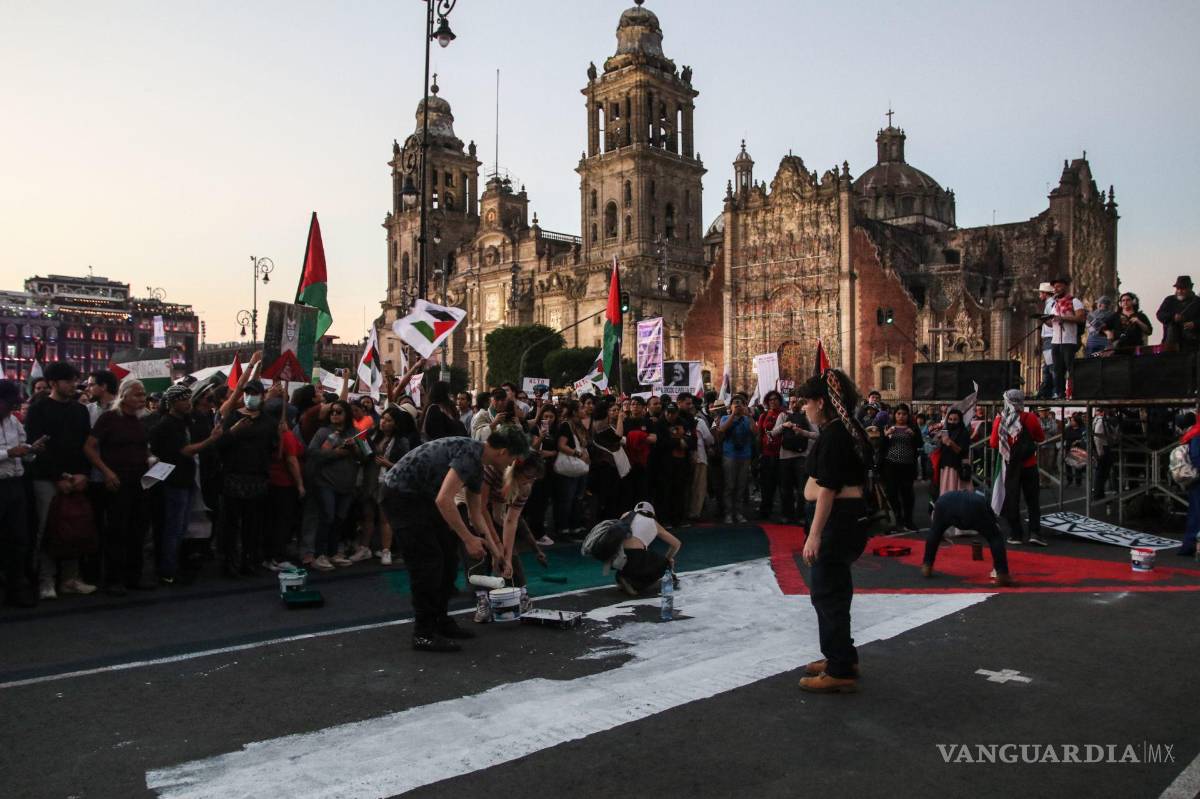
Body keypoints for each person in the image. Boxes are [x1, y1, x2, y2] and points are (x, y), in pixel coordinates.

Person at [380, 427, 528, 652]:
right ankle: (424, 633)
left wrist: (498, 554)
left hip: (422, 497)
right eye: (513, 458)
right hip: (401, 496)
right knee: (428, 564)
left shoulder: (479, 463)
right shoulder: (470, 455)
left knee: (449, 559)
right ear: (503, 451)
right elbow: (444, 500)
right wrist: (469, 539)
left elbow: (476, 513)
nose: (512, 464)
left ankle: (441, 620)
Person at [796, 369, 870, 694]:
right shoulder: (844, 429)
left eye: (807, 402)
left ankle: (839, 667)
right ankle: (841, 656)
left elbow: (827, 489)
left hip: (835, 524)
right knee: (835, 591)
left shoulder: (836, 433)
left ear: (821, 402)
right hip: (845, 522)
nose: (803, 408)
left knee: (827, 594)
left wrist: (814, 535)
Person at [24, 361, 95, 599]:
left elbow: (84, 445)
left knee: (75, 527)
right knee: (47, 528)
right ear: (54, 383)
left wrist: (82, 473)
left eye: (75, 380)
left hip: (76, 477)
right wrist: (57, 477)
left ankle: (70, 578)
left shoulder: (80, 410)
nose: (74, 385)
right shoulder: (39, 409)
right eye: (68, 381)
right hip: (46, 478)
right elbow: (38, 447)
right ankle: (45, 580)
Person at [150, 383, 224, 585]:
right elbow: (185, 451)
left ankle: (174, 566)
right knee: (173, 528)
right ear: (173, 402)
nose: (188, 403)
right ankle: (167, 569)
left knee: (182, 527)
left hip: (186, 479)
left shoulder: (185, 421)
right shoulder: (167, 424)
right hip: (174, 481)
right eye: (184, 399)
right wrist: (211, 439)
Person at [84, 377, 152, 594]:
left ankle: (134, 576)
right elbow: (89, 448)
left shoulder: (140, 421)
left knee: (137, 529)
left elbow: (142, 448)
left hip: (139, 480)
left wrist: (151, 459)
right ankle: (114, 578)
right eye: (138, 395)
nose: (143, 399)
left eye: (143, 394)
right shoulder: (109, 419)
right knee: (117, 530)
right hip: (117, 480)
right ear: (124, 396)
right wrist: (106, 472)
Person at [215, 355, 277, 577]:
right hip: (233, 477)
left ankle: (249, 561)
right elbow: (217, 444)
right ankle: (227, 563)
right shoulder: (232, 417)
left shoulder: (269, 421)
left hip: (256, 479)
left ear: (262, 397)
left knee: (253, 525)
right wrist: (233, 432)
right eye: (248, 393)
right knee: (229, 525)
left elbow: (273, 450)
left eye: (255, 394)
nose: (251, 397)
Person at [307, 400, 367, 571]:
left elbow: (366, 456)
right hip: (326, 483)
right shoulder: (323, 432)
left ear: (346, 414)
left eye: (339, 412)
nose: (334, 415)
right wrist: (335, 453)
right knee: (328, 517)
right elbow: (312, 453)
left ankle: (333, 553)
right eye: (332, 412)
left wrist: (355, 448)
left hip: (347, 485)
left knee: (339, 519)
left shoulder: (355, 433)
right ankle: (319, 555)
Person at [0, 380, 44, 607]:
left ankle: (15, 588)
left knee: (18, 539)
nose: (11, 408)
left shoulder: (13, 422)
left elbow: (22, 448)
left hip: (15, 484)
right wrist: (9, 452)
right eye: (8, 404)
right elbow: (11, 451)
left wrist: (30, 450)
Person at [989, 389, 1047, 547]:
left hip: (1010, 465)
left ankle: (1016, 533)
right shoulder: (1030, 417)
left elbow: (993, 443)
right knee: (1032, 500)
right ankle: (1035, 532)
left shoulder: (1000, 419)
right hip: (1029, 463)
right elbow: (1040, 437)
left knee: (1012, 500)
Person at [920, 490, 1012, 586]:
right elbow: (993, 522)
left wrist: (939, 532)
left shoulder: (942, 500)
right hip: (974, 508)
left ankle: (927, 565)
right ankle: (1002, 574)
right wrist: (995, 526)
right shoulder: (981, 499)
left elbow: (934, 531)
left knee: (935, 532)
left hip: (947, 507)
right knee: (995, 537)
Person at [362, 406, 416, 566]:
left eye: (388, 420)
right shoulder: (374, 436)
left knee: (385, 518)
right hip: (371, 481)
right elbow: (365, 456)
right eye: (383, 419)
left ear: (396, 424)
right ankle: (364, 547)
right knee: (368, 516)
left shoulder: (402, 441)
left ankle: (386, 550)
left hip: (388, 483)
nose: (384, 423)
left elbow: (406, 466)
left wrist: (388, 463)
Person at [613, 501, 682, 596]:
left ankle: (623, 576)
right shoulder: (654, 523)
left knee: (639, 556)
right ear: (652, 514)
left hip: (618, 556)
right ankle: (635, 584)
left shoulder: (627, 514)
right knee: (666, 564)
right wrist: (668, 559)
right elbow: (676, 543)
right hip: (635, 556)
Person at [775, 393, 817, 525]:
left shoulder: (807, 417)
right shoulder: (783, 416)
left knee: (801, 488)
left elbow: (817, 434)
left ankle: (801, 515)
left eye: (796, 402)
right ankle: (786, 514)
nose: (794, 404)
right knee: (785, 488)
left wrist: (803, 432)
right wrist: (783, 426)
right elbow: (773, 433)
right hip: (785, 457)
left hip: (802, 456)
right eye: (792, 402)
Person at [881, 403, 919, 532]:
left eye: (904, 414)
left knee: (907, 493)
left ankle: (908, 520)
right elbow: (881, 446)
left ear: (908, 416)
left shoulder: (913, 427)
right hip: (891, 465)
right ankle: (898, 519)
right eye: (899, 414)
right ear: (894, 415)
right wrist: (885, 435)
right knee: (892, 492)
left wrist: (913, 435)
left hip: (908, 465)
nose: (901, 416)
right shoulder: (888, 427)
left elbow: (920, 443)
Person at [718, 394, 754, 523]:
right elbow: (722, 430)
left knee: (741, 486)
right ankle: (728, 513)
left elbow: (755, 431)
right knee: (729, 485)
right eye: (735, 403)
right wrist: (733, 415)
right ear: (730, 406)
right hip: (730, 455)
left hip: (745, 456)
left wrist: (748, 415)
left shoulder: (747, 419)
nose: (738, 405)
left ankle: (738, 512)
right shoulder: (725, 417)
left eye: (741, 403)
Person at [1047, 276, 1085, 398]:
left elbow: (1081, 318)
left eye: (1058, 286)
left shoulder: (1075, 301)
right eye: (1054, 287)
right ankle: (1059, 393)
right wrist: (1044, 320)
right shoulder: (1054, 304)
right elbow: (1051, 324)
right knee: (1057, 370)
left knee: (1071, 368)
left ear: (1065, 286)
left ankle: (1075, 392)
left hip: (1069, 340)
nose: (1056, 289)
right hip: (1056, 340)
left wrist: (1063, 318)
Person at [756, 391, 784, 520]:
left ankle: (783, 511)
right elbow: (760, 435)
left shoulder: (784, 415)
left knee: (783, 484)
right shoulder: (763, 415)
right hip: (767, 454)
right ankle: (765, 510)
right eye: (771, 399)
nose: (773, 401)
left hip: (781, 454)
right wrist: (759, 453)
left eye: (776, 399)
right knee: (766, 484)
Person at [1155, 275, 1200, 351]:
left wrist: (1194, 323)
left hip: (1193, 345)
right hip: (1171, 344)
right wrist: (1173, 317)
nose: (1179, 291)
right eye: (1178, 288)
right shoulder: (1169, 300)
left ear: (1190, 288)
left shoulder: (1197, 301)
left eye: (1183, 288)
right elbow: (1160, 314)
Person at [1179, 413, 1200, 558]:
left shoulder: (1193, 433)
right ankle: (1190, 545)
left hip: (1196, 480)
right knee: (1197, 513)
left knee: (1195, 512)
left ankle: (1189, 546)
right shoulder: (1197, 434)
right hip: (1198, 481)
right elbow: (1197, 457)